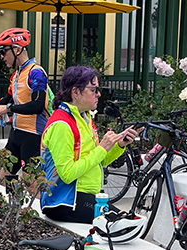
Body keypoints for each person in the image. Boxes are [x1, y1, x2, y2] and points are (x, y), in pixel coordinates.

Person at [39, 66, 140, 224]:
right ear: (76, 92)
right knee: (120, 223)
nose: (99, 94)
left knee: (128, 221)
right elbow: (67, 174)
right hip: (63, 201)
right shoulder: (62, 124)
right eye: (93, 89)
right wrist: (102, 148)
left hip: (81, 197)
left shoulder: (83, 118)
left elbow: (99, 162)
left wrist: (119, 145)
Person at [0, 28, 50, 175]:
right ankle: (13, 198)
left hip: (33, 135)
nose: (1, 57)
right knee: (2, 177)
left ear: (17, 50)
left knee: (31, 185)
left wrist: (8, 109)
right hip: (16, 133)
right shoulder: (17, 74)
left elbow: (38, 105)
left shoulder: (36, 72)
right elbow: (8, 99)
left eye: (3, 51)